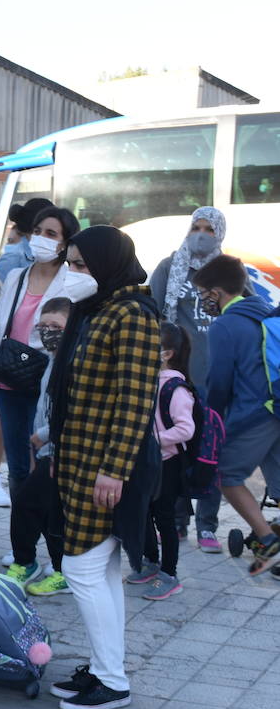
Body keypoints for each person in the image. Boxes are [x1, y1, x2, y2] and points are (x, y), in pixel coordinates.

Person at [46, 226, 159, 709]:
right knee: (102, 568)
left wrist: (114, 470)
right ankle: (104, 668)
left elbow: (135, 403)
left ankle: (112, 680)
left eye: (81, 265)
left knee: (82, 567)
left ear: (107, 265)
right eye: (69, 263)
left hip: (108, 465)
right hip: (81, 457)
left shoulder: (132, 314)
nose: (73, 273)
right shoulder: (102, 309)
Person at [0, 207, 81, 514]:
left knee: (46, 461)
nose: (41, 239)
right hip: (11, 377)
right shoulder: (16, 277)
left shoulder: (73, 281)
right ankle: (24, 548)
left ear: (64, 243)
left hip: (49, 379)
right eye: (37, 231)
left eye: (51, 234)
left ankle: (52, 538)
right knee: (19, 464)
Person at [149, 207, 236, 554]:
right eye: (196, 227)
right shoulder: (169, 267)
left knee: (211, 454)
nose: (200, 234)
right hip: (177, 381)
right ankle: (175, 522)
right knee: (176, 453)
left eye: (208, 229)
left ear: (220, 234)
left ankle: (208, 525)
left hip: (218, 380)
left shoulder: (231, 272)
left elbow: (245, 311)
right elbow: (153, 314)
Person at [192, 255, 280, 573]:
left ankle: (268, 540)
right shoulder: (264, 312)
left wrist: (212, 421)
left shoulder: (225, 326)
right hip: (277, 406)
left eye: (203, 294)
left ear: (216, 292)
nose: (203, 301)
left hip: (255, 412)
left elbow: (220, 383)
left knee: (226, 475)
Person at [125, 323, 196, 600]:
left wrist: (154, 440)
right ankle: (150, 562)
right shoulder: (145, 381)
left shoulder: (175, 389)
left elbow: (185, 429)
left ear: (166, 353)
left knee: (165, 519)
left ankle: (169, 574)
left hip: (167, 463)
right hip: (145, 462)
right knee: (143, 512)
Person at [19, 298, 73, 596]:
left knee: (29, 504)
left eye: (57, 326)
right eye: (44, 326)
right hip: (44, 449)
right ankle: (59, 569)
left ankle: (28, 562)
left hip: (58, 450)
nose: (49, 332)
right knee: (50, 512)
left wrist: (43, 435)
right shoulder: (52, 358)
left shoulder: (70, 362)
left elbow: (70, 410)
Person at [0, 197, 55, 280]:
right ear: (29, 231)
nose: (48, 238)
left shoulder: (53, 259)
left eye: (52, 233)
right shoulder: (11, 261)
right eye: (38, 231)